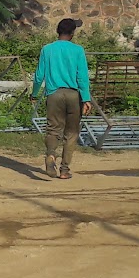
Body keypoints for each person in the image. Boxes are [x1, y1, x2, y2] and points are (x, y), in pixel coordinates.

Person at [30, 18, 93, 179]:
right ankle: (64, 170)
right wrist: (86, 99)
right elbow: (82, 77)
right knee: (71, 133)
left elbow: (39, 76)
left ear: (58, 31)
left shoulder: (47, 49)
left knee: (53, 129)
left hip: (54, 94)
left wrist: (35, 94)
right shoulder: (78, 50)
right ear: (72, 33)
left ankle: (51, 155)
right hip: (73, 95)